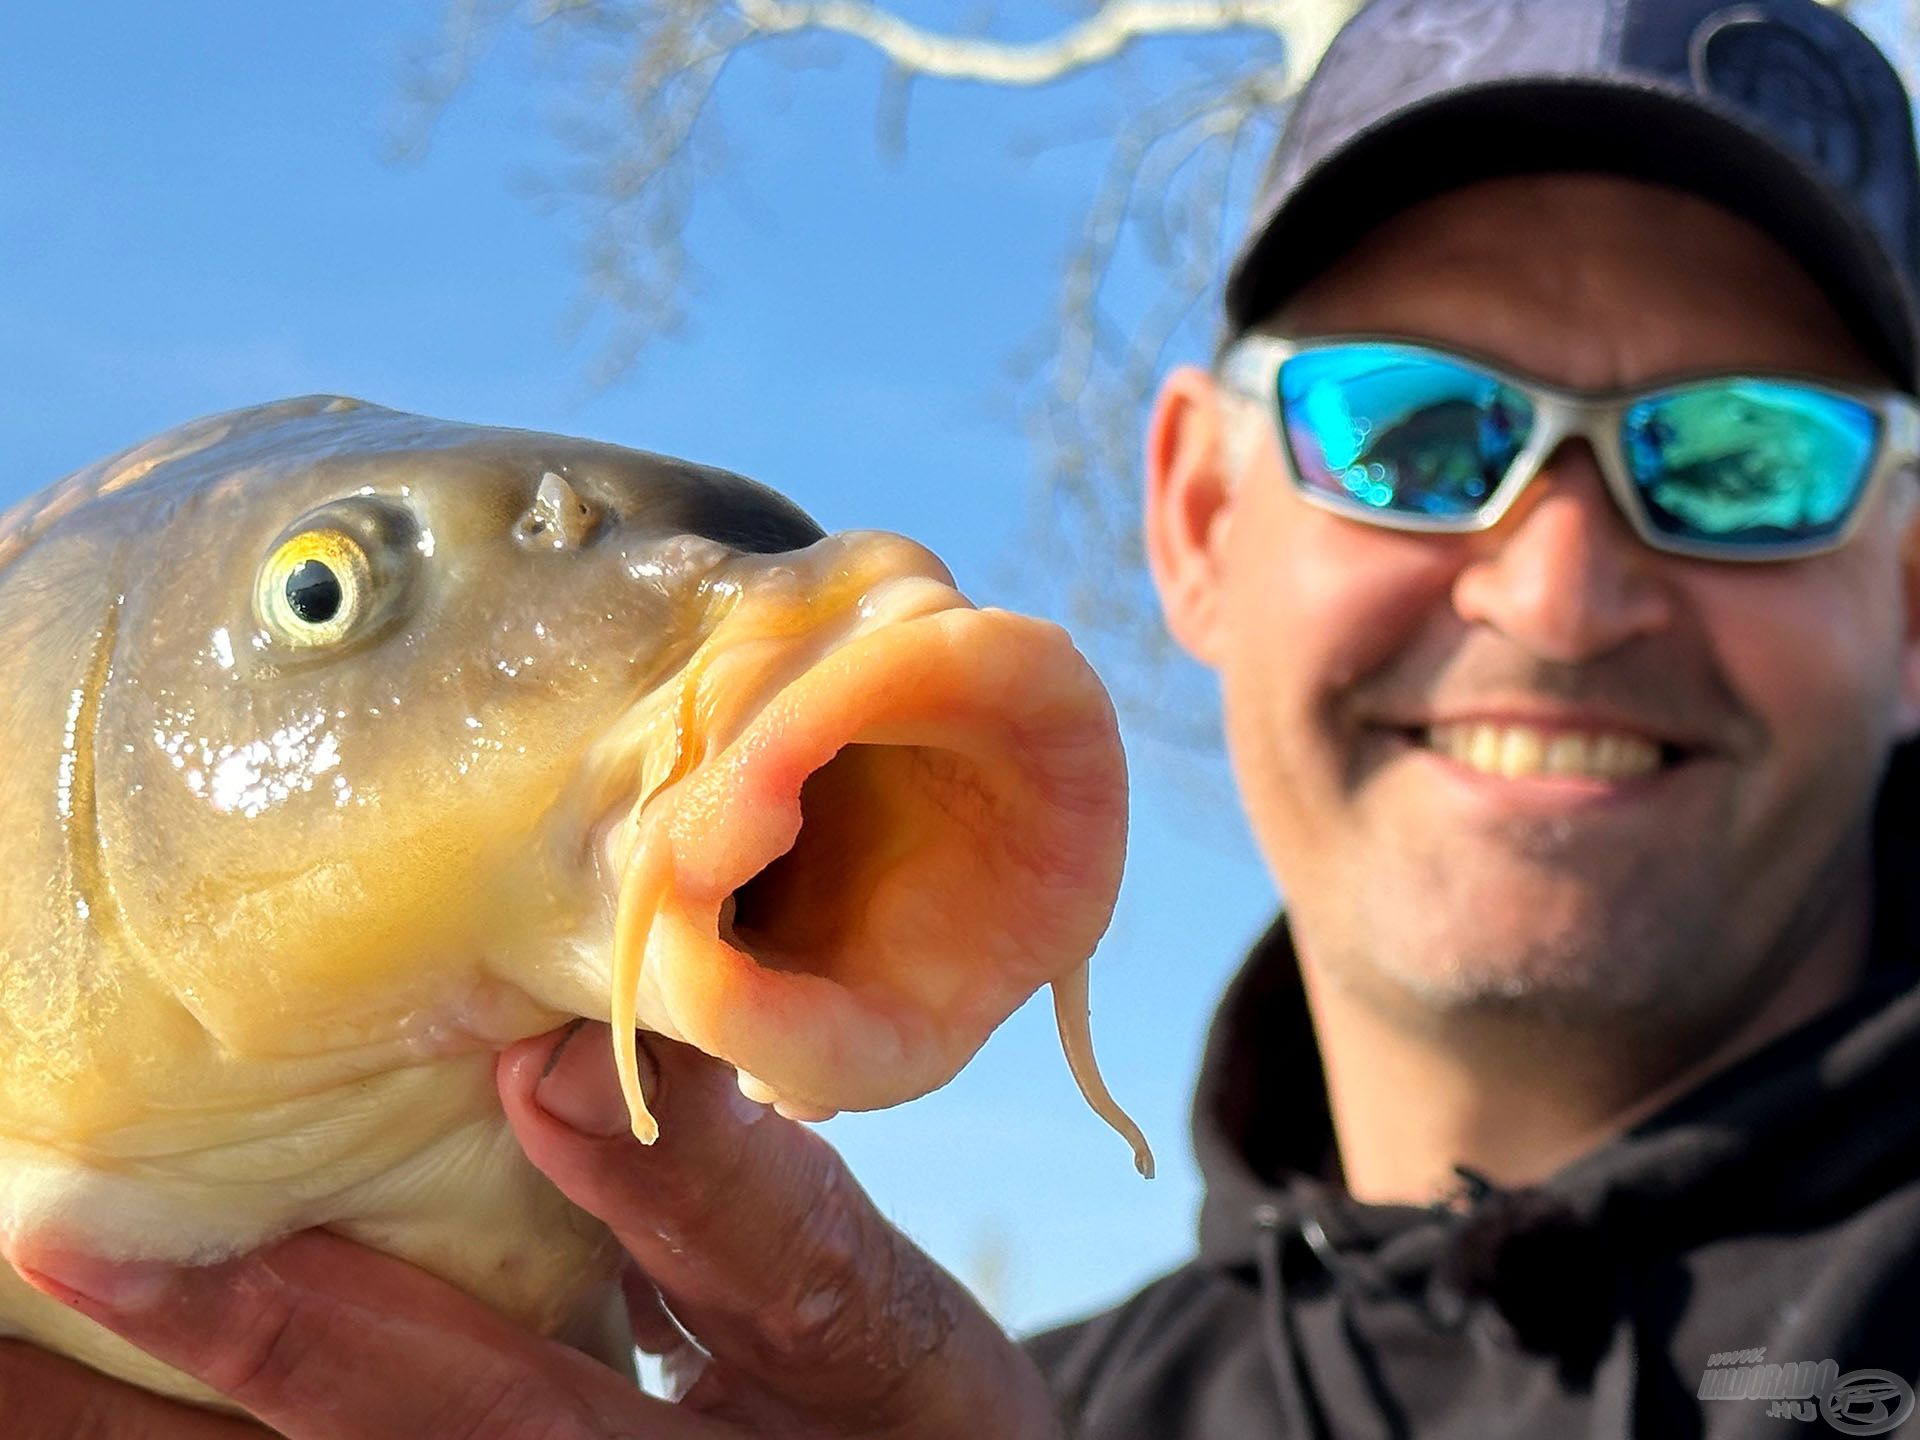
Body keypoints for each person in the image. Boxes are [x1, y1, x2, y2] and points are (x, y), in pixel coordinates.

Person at [6, 0, 1920, 1434]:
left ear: (1915, 594)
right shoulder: (1024, 1404)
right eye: (1417, 435)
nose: (1559, 587)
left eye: (1748, 457)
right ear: (1195, 518)